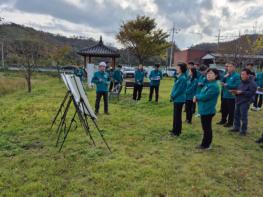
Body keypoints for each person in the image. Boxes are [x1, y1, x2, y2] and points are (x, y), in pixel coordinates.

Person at [193, 68, 220, 150]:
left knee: (207, 128)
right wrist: (197, 96)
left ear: (216, 75)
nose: (208, 75)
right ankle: (205, 143)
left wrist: (196, 97)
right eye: (208, 73)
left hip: (208, 110)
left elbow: (205, 97)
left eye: (211, 73)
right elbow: (201, 93)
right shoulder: (208, 84)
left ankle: (206, 145)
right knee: (205, 128)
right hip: (204, 109)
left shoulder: (214, 86)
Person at [229, 68, 257, 135]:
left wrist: (242, 92)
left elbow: (251, 93)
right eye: (241, 74)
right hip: (238, 100)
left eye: (243, 74)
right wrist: (235, 92)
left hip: (245, 101)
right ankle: (236, 127)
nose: (242, 76)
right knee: (236, 115)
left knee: (243, 117)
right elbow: (239, 89)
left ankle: (243, 131)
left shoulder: (252, 83)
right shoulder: (241, 81)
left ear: (248, 75)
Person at [218, 62, 240, 127]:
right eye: (228, 67)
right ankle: (223, 120)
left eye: (230, 66)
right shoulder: (227, 74)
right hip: (225, 94)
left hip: (231, 96)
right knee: (224, 109)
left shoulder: (237, 76)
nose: (228, 68)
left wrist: (227, 85)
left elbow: (237, 85)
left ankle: (230, 123)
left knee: (231, 110)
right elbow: (221, 82)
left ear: (234, 67)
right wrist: (224, 77)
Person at [170, 62, 187, 136]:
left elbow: (179, 90)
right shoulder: (179, 76)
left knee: (177, 116)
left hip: (179, 99)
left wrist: (172, 96)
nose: (176, 69)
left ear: (181, 69)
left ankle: (177, 132)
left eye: (178, 67)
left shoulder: (183, 78)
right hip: (176, 98)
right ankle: (174, 129)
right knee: (175, 115)